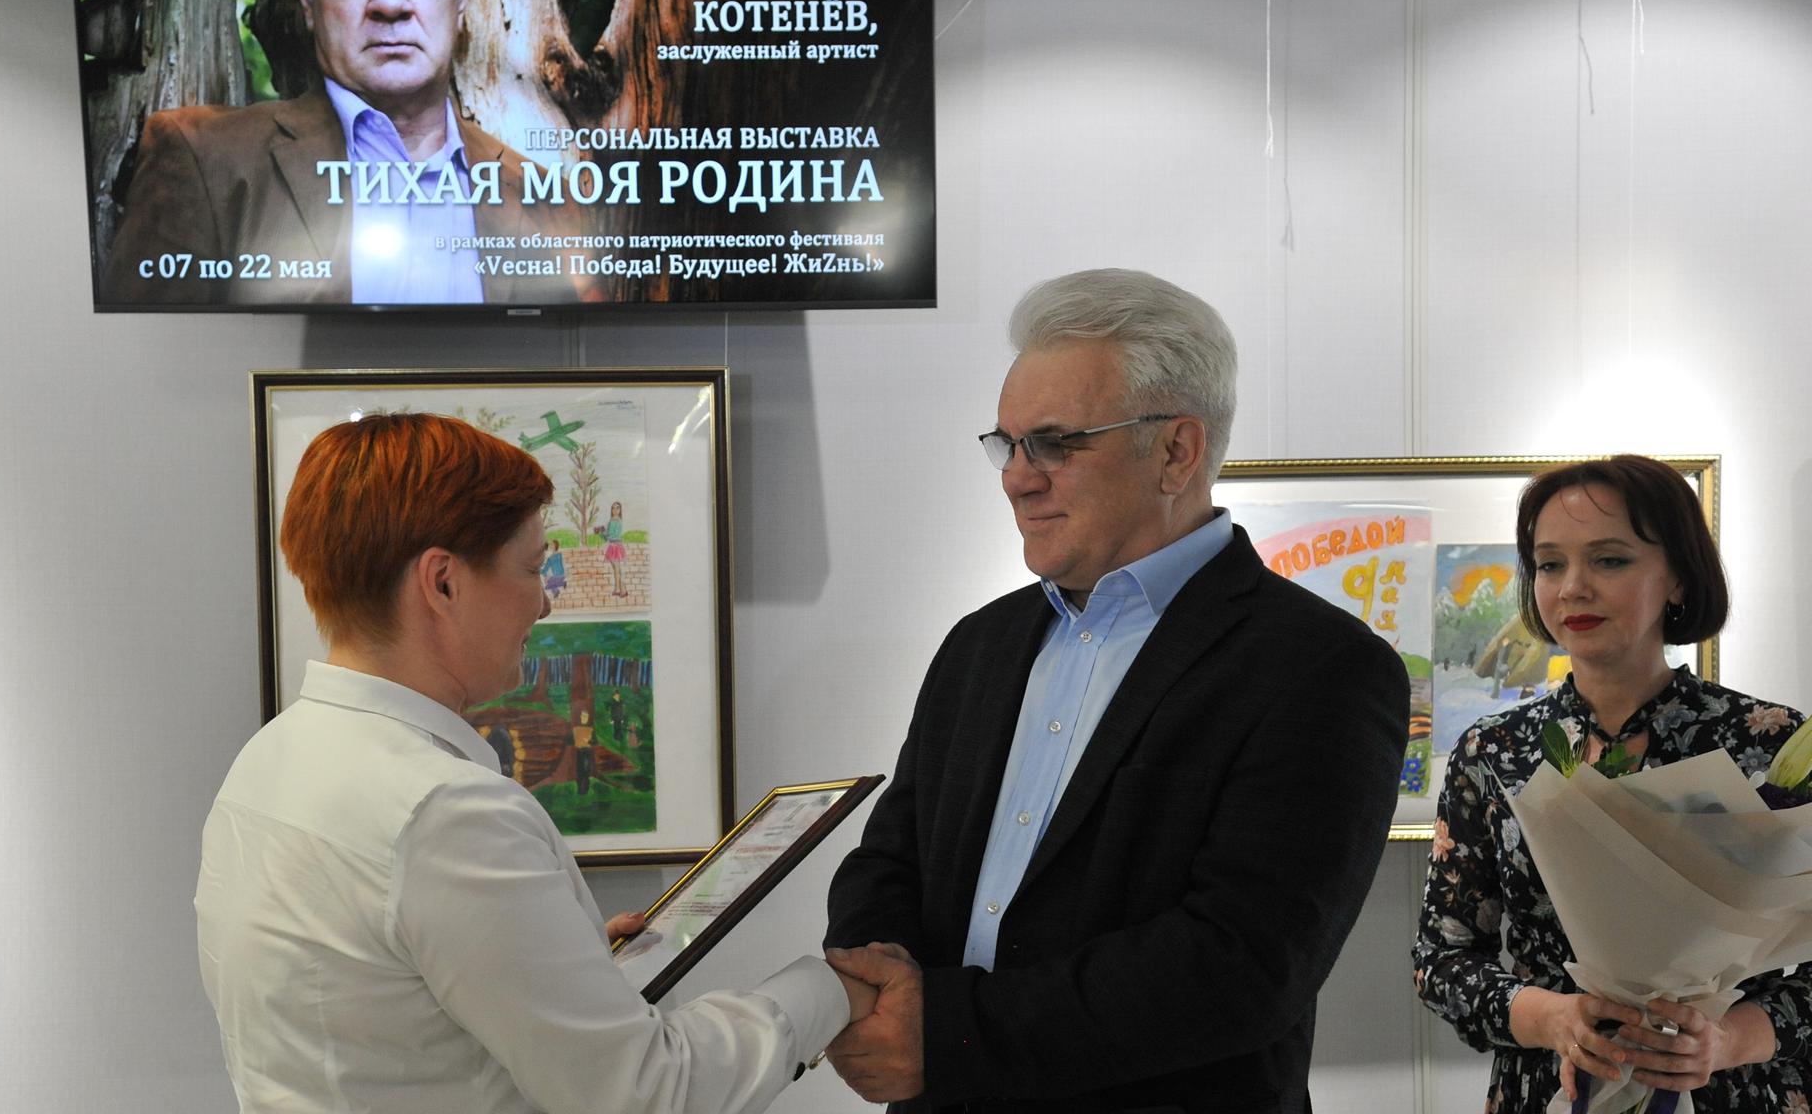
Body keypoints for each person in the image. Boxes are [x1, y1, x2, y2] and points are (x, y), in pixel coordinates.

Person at [822, 268, 1409, 1113]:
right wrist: (874, 983)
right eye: (1007, 444)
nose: (1016, 478)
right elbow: (890, 860)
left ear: (1176, 452)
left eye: (1054, 444)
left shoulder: (1319, 667)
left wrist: (948, 1033)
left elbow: (1240, 965)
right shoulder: (980, 645)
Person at [196, 412, 873, 1113]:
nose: (545, 601)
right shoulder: (444, 812)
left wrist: (556, 959)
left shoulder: (266, 761)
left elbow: (376, 1007)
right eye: (530, 568)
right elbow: (650, 1094)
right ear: (443, 583)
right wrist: (829, 991)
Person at [1413, 455, 1812, 1111]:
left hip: (1733, 1090)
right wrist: (1554, 1018)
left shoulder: (1767, 742)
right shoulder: (1496, 752)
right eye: (1549, 564)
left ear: (1677, 577)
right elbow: (1442, 959)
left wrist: (1726, 1040)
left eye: (1609, 560)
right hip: (1554, 1087)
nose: (1572, 588)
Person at [103, 0, 594, 307]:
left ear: (461, 2)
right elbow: (148, 370)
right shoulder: (204, 156)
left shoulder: (542, 195)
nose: (390, 4)